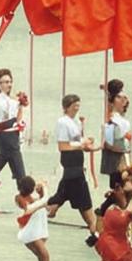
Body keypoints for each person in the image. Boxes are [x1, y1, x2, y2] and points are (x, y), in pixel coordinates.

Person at [46, 93, 100, 246]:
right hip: (71, 164)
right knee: (84, 201)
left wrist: (88, 144)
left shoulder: (75, 121)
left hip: (76, 163)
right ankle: (93, 229)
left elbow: (75, 142)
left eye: (78, 104)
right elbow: (63, 146)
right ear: (66, 107)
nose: (77, 107)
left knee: (64, 193)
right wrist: (81, 145)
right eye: (74, 105)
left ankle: (49, 208)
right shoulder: (63, 122)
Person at [0, 69, 28, 198]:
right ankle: (25, 193)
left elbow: (17, 117)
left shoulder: (12, 99)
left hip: (12, 134)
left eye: (9, 82)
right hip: (5, 134)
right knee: (17, 164)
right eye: (4, 82)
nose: (8, 85)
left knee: (4, 157)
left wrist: (21, 104)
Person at [16, 175, 57, 261]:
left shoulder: (31, 197)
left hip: (37, 231)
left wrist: (41, 194)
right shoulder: (19, 198)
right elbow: (33, 207)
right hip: (30, 233)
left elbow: (44, 204)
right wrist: (45, 190)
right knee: (45, 256)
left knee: (42, 257)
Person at [100, 80, 132, 217]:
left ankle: (104, 211)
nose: (123, 99)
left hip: (124, 159)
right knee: (123, 193)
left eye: (124, 97)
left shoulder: (123, 120)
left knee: (125, 192)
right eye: (119, 97)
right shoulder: (111, 121)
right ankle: (103, 211)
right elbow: (108, 144)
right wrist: (122, 151)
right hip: (116, 162)